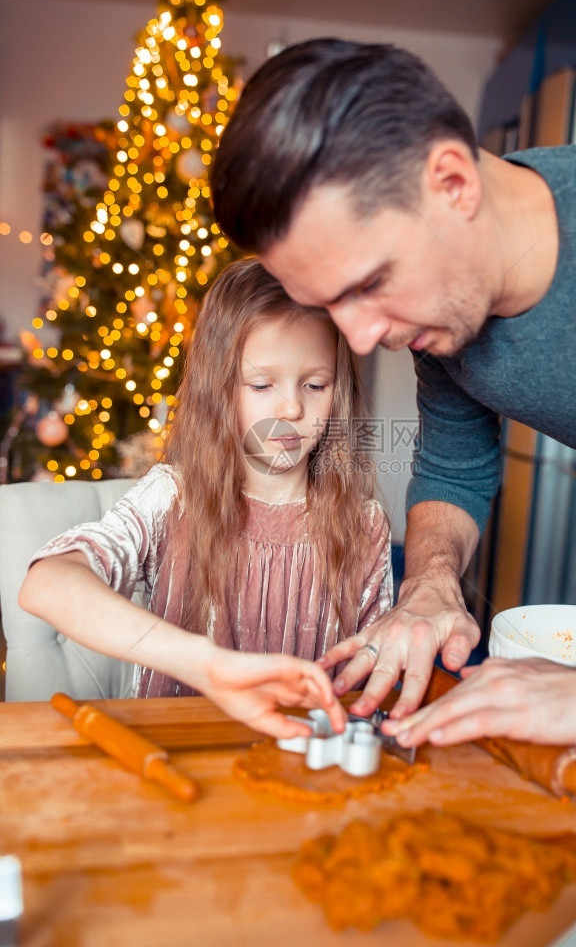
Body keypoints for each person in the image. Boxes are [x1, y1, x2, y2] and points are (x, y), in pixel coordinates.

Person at [209, 37, 576, 749]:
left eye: (367, 284)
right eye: (334, 308)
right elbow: (455, 469)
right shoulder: (446, 323)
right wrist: (430, 581)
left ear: (452, 182)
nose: (360, 340)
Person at [19, 258, 393, 738]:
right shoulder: (173, 498)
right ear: (220, 390)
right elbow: (45, 584)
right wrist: (205, 664)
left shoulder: (364, 524)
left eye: (316, 385)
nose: (293, 408)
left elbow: (371, 681)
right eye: (261, 384)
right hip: (180, 760)